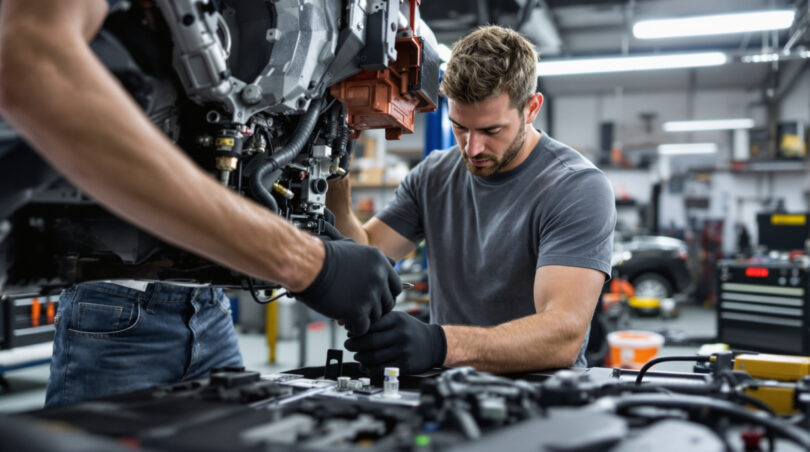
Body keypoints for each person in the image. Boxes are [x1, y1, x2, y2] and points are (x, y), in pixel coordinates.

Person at [0, 0, 400, 405]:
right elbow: (33, 64)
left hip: (208, 308)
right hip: (117, 307)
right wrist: (309, 262)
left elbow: (333, 204)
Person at [328, 25, 616, 375]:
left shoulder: (575, 187)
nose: (472, 148)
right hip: (451, 389)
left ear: (531, 108)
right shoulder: (433, 174)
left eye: (491, 130)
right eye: (460, 127)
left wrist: (439, 344)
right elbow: (370, 250)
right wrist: (334, 185)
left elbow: (563, 335)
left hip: (540, 397)